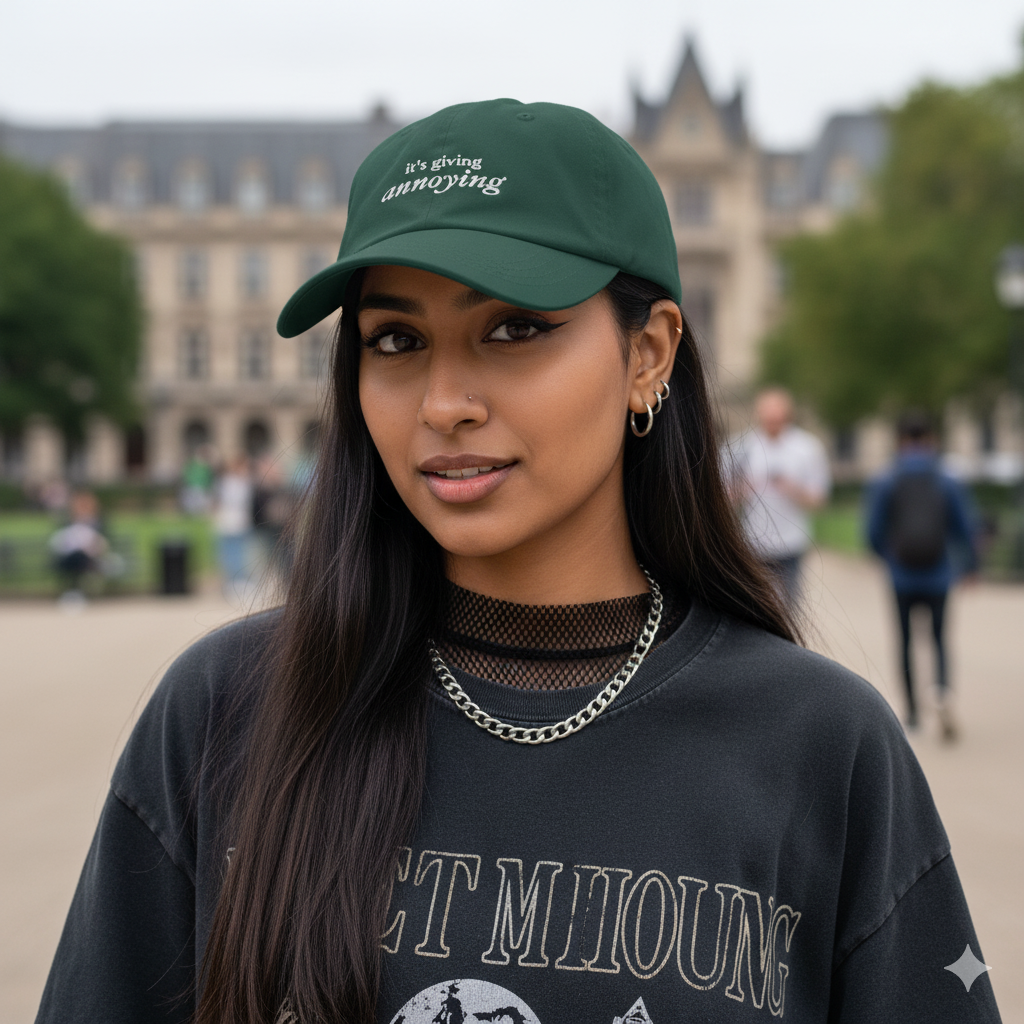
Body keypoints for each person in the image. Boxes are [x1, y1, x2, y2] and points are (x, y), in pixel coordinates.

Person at [37, 101, 999, 1024]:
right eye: (396, 339)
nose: (443, 402)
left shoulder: (822, 747)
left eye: (513, 329)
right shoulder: (224, 714)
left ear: (648, 355)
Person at [867, 412, 979, 740]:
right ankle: (941, 690)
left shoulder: (886, 480)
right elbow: (965, 528)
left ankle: (913, 713)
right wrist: (970, 566)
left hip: (901, 575)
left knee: (904, 641)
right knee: (939, 638)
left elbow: (872, 532)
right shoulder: (947, 479)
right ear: (931, 439)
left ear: (900, 441)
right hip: (938, 573)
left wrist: (888, 558)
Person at [730, 387, 831, 609]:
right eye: (768, 419)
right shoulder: (742, 447)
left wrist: (792, 489)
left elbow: (819, 500)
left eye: (777, 419)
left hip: (791, 542)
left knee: (788, 608)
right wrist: (744, 488)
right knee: (757, 607)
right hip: (754, 542)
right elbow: (723, 499)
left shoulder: (807, 448)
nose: (772, 424)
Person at [48, 489, 108, 605]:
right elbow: (59, 542)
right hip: (69, 558)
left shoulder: (97, 524)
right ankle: (74, 592)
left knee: (79, 557)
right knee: (75, 558)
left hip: (88, 557)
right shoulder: (67, 523)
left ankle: (74, 592)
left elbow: (101, 544)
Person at [212, 453, 255, 600]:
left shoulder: (238, 482)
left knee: (238, 555)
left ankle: (237, 583)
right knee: (233, 555)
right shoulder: (231, 482)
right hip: (230, 523)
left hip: (237, 523)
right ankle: (233, 583)